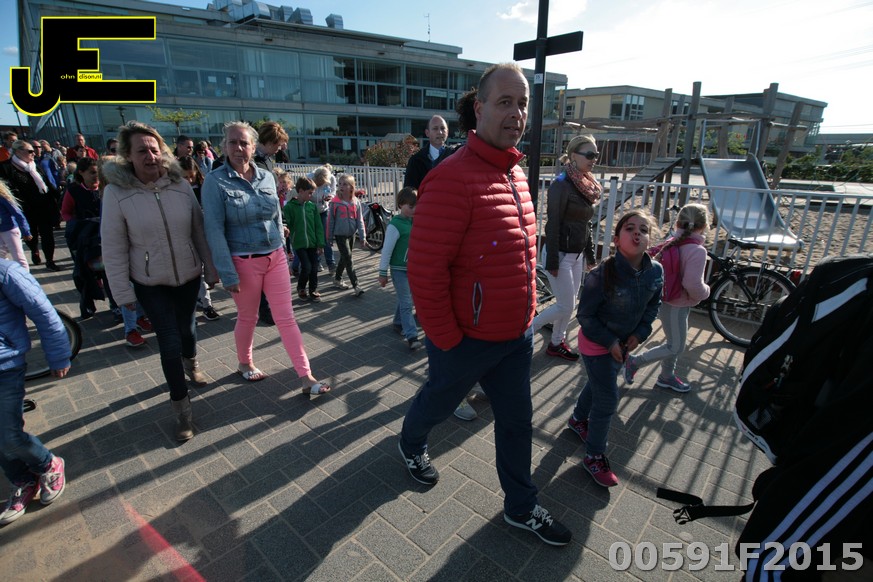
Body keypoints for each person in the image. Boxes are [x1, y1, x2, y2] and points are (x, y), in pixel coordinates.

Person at [399, 63, 571, 546]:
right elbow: (424, 269)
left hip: (515, 335)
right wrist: (448, 341)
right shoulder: (450, 178)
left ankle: (521, 506)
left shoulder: (515, 172)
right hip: (466, 340)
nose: (516, 113)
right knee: (438, 401)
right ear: (479, 109)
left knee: (517, 423)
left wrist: (528, 316)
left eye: (523, 104)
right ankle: (411, 442)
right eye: (504, 102)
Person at [101, 121, 219, 442]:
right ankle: (182, 410)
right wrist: (122, 292)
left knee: (188, 330)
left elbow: (198, 230)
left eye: (154, 149)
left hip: (188, 275)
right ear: (128, 156)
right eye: (142, 151)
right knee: (168, 340)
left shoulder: (180, 185)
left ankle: (191, 364)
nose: (150, 156)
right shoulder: (116, 193)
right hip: (150, 282)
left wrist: (210, 267)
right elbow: (113, 246)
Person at [202, 121, 330, 395]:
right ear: (224, 146)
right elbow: (213, 229)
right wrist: (226, 272)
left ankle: (306, 376)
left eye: (244, 143)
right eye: (233, 142)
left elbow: (275, 213)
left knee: (286, 318)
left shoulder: (266, 176)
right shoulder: (215, 181)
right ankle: (244, 363)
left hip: (275, 256)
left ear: (253, 146)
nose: (239, 148)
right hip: (243, 261)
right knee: (248, 317)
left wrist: (282, 237)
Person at [567, 210, 662, 488]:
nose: (637, 233)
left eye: (643, 229)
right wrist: (609, 342)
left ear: (649, 239)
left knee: (598, 384)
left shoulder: (655, 271)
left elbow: (653, 305)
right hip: (596, 345)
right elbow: (585, 316)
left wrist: (640, 334)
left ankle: (577, 420)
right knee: (607, 400)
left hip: (624, 345)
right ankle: (594, 456)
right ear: (617, 239)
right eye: (629, 228)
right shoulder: (601, 274)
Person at [0, 259, 70, 525]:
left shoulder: (6, 272)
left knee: (9, 436)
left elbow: (43, 312)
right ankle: (22, 479)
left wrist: (58, 354)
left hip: (6, 367)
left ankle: (47, 464)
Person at [623, 204, 711, 392]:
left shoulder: (672, 241)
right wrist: (706, 292)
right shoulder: (697, 250)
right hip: (676, 304)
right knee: (676, 346)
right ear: (703, 226)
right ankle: (635, 362)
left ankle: (666, 376)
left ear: (678, 223)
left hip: (666, 299)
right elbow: (692, 284)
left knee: (674, 340)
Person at [531, 135, 600, 361]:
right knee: (564, 306)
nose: (594, 159)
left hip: (576, 255)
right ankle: (524, 334)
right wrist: (552, 260)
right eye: (589, 155)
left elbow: (586, 224)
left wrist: (590, 255)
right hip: (559, 254)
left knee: (568, 305)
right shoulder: (561, 185)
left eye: (596, 155)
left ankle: (556, 342)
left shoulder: (587, 184)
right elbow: (552, 224)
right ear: (573, 156)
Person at [0, 140, 60, 270]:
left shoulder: (34, 166)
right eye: (30, 151)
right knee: (31, 234)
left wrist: (58, 196)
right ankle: (34, 250)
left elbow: (47, 183)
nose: (34, 153)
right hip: (24, 209)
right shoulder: (5, 167)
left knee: (47, 234)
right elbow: (6, 190)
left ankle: (50, 260)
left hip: (43, 206)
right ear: (18, 151)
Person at [178, 156, 220, 322]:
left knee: (201, 271)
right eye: (184, 177)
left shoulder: (204, 186)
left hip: (202, 233)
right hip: (183, 236)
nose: (189, 180)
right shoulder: (173, 190)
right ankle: (190, 306)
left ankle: (207, 304)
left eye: (191, 176)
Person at [378, 186, 419, 349]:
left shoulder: (415, 222)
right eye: (411, 206)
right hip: (399, 270)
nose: (414, 209)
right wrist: (383, 273)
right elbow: (386, 250)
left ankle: (397, 322)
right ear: (401, 204)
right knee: (407, 302)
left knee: (406, 299)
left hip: (413, 269)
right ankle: (412, 336)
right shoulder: (395, 225)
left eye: (417, 206)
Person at [283, 177, 324, 302]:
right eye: (310, 193)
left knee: (314, 267)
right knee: (306, 266)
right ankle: (301, 287)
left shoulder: (312, 207)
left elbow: (318, 226)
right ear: (300, 191)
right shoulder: (289, 207)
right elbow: (287, 224)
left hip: (312, 243)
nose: (312, 195)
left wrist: (320, 243)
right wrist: (286, 231)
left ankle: (313, 290)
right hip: (299, 243)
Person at [328, 174, 366, 297]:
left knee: (345, 258)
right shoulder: (335, 203)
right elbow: (330, 221)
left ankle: (337, 279)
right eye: (340, 184)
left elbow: (360, 220)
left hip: (351, 234)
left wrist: (363, 236)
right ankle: (356, 285)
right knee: (348, 259)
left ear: (351, 187)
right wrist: (329, 237)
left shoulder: (356, 202)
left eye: (345, 184)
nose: (341, 186)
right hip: (340, 235)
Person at [403, 115, 457, 189]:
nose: (440, 132)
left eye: (443, 128)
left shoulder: (455, 156)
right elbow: (409, 191)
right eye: (435, 128)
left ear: (447, 132)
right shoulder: (416, 160)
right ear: (427, 133)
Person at [308, 166, 336, 272]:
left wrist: (330, 196)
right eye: (318, 183)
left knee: (326, 236)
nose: (319, 185)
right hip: (312, 210)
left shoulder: (331, 178)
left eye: (322, 183)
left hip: (324, 210)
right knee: (315, 237)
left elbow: (333, 191)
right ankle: (317, 261)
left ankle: (331, 263)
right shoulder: (309, 178)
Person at [0, 179, 32, 270]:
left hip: (10, 230)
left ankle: (25, 278)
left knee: (19, 258)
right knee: (1, 259)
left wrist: (25, 231)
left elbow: (17, 213)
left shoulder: (2, 197)